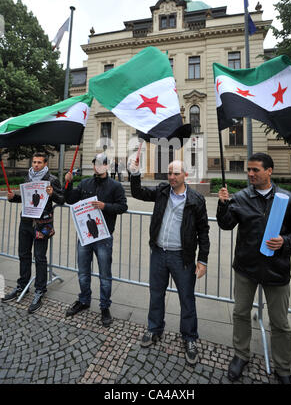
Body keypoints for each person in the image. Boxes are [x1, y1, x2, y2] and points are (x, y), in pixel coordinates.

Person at [217, 153, 291, 384]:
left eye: (255, 170)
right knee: (241, 313)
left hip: (277, 269)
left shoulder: (288, 199)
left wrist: (285, 242)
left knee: (280, 322)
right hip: (246, 267)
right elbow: (226, 225)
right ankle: (241, 355)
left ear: (269, 171)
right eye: (248, 170)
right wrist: (223, 205)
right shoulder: (241, 197)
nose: (250, 174)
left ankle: (283, 367)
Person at [129, 159, 210, 365]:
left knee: (186, 299)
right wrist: (135, 172)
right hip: (158, 253)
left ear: (185, 175)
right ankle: (154, 328)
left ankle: (189, 338)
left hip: (182, 257)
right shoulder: (162, 191)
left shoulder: (196, 199)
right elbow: (139, 193)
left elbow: (203, 231)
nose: (172, 177)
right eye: (169, 173)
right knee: (156, 293)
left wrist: (202, 259)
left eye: (176, 174)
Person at [64, 153, 128, 326]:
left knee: (105, 275)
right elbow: (69, 200)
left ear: (107, 166)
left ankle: (105, 306)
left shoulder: (115, 186)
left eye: (102, 164)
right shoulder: (85, 183)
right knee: (83, 273)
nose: (98, 166)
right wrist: (68, 183)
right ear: (93, 166)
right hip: (85, 236)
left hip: (104, 238)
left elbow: (123, 206)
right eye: (96, 163)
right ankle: (84, 300)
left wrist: (105, 206)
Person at [1, 152, 64, 313]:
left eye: (39, 162)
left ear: (45, 163)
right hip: (26, 222)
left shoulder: (52, 180)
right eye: (34, 162)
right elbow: (26, 198)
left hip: (42, 224)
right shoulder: (28, 177)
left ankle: (40, 290)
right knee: (23, 254)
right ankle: (22, 285)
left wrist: (53, 194)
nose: (35, 165)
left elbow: (63, 199)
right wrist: (12, 198)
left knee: (40, 257)